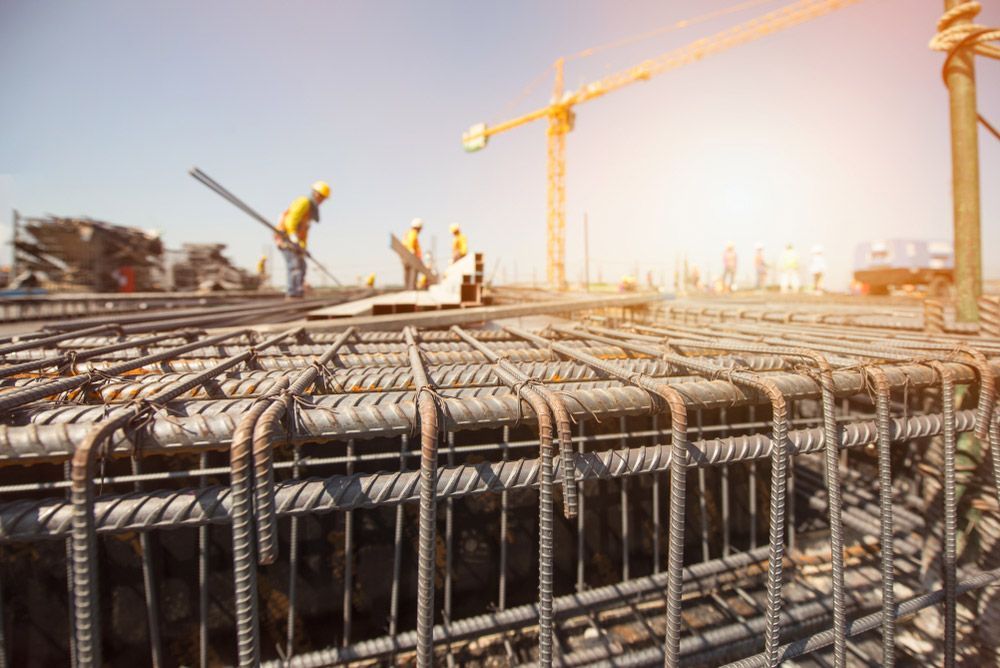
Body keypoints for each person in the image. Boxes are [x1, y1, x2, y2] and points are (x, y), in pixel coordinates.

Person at [275, 181, 330, 298]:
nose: (322, 201)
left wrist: (304, 248)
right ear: (316, 194)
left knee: (302, 266)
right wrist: (293, 237)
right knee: (294, 265)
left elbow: (303, 233)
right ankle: (292, 295)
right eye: (322, 197)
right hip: (285, 237)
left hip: (294, 240)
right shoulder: (304, 201)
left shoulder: (310, 211)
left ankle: (298, 293)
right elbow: (291, 220)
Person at [402, 218, 424, 289]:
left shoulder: (407, 233)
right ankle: (411, 289)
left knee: (407, 273)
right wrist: (412, 252)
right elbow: (410, 243)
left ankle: (407, 288)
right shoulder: (413, 233)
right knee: (413, 273)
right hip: (411, 256)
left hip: (405, 256)